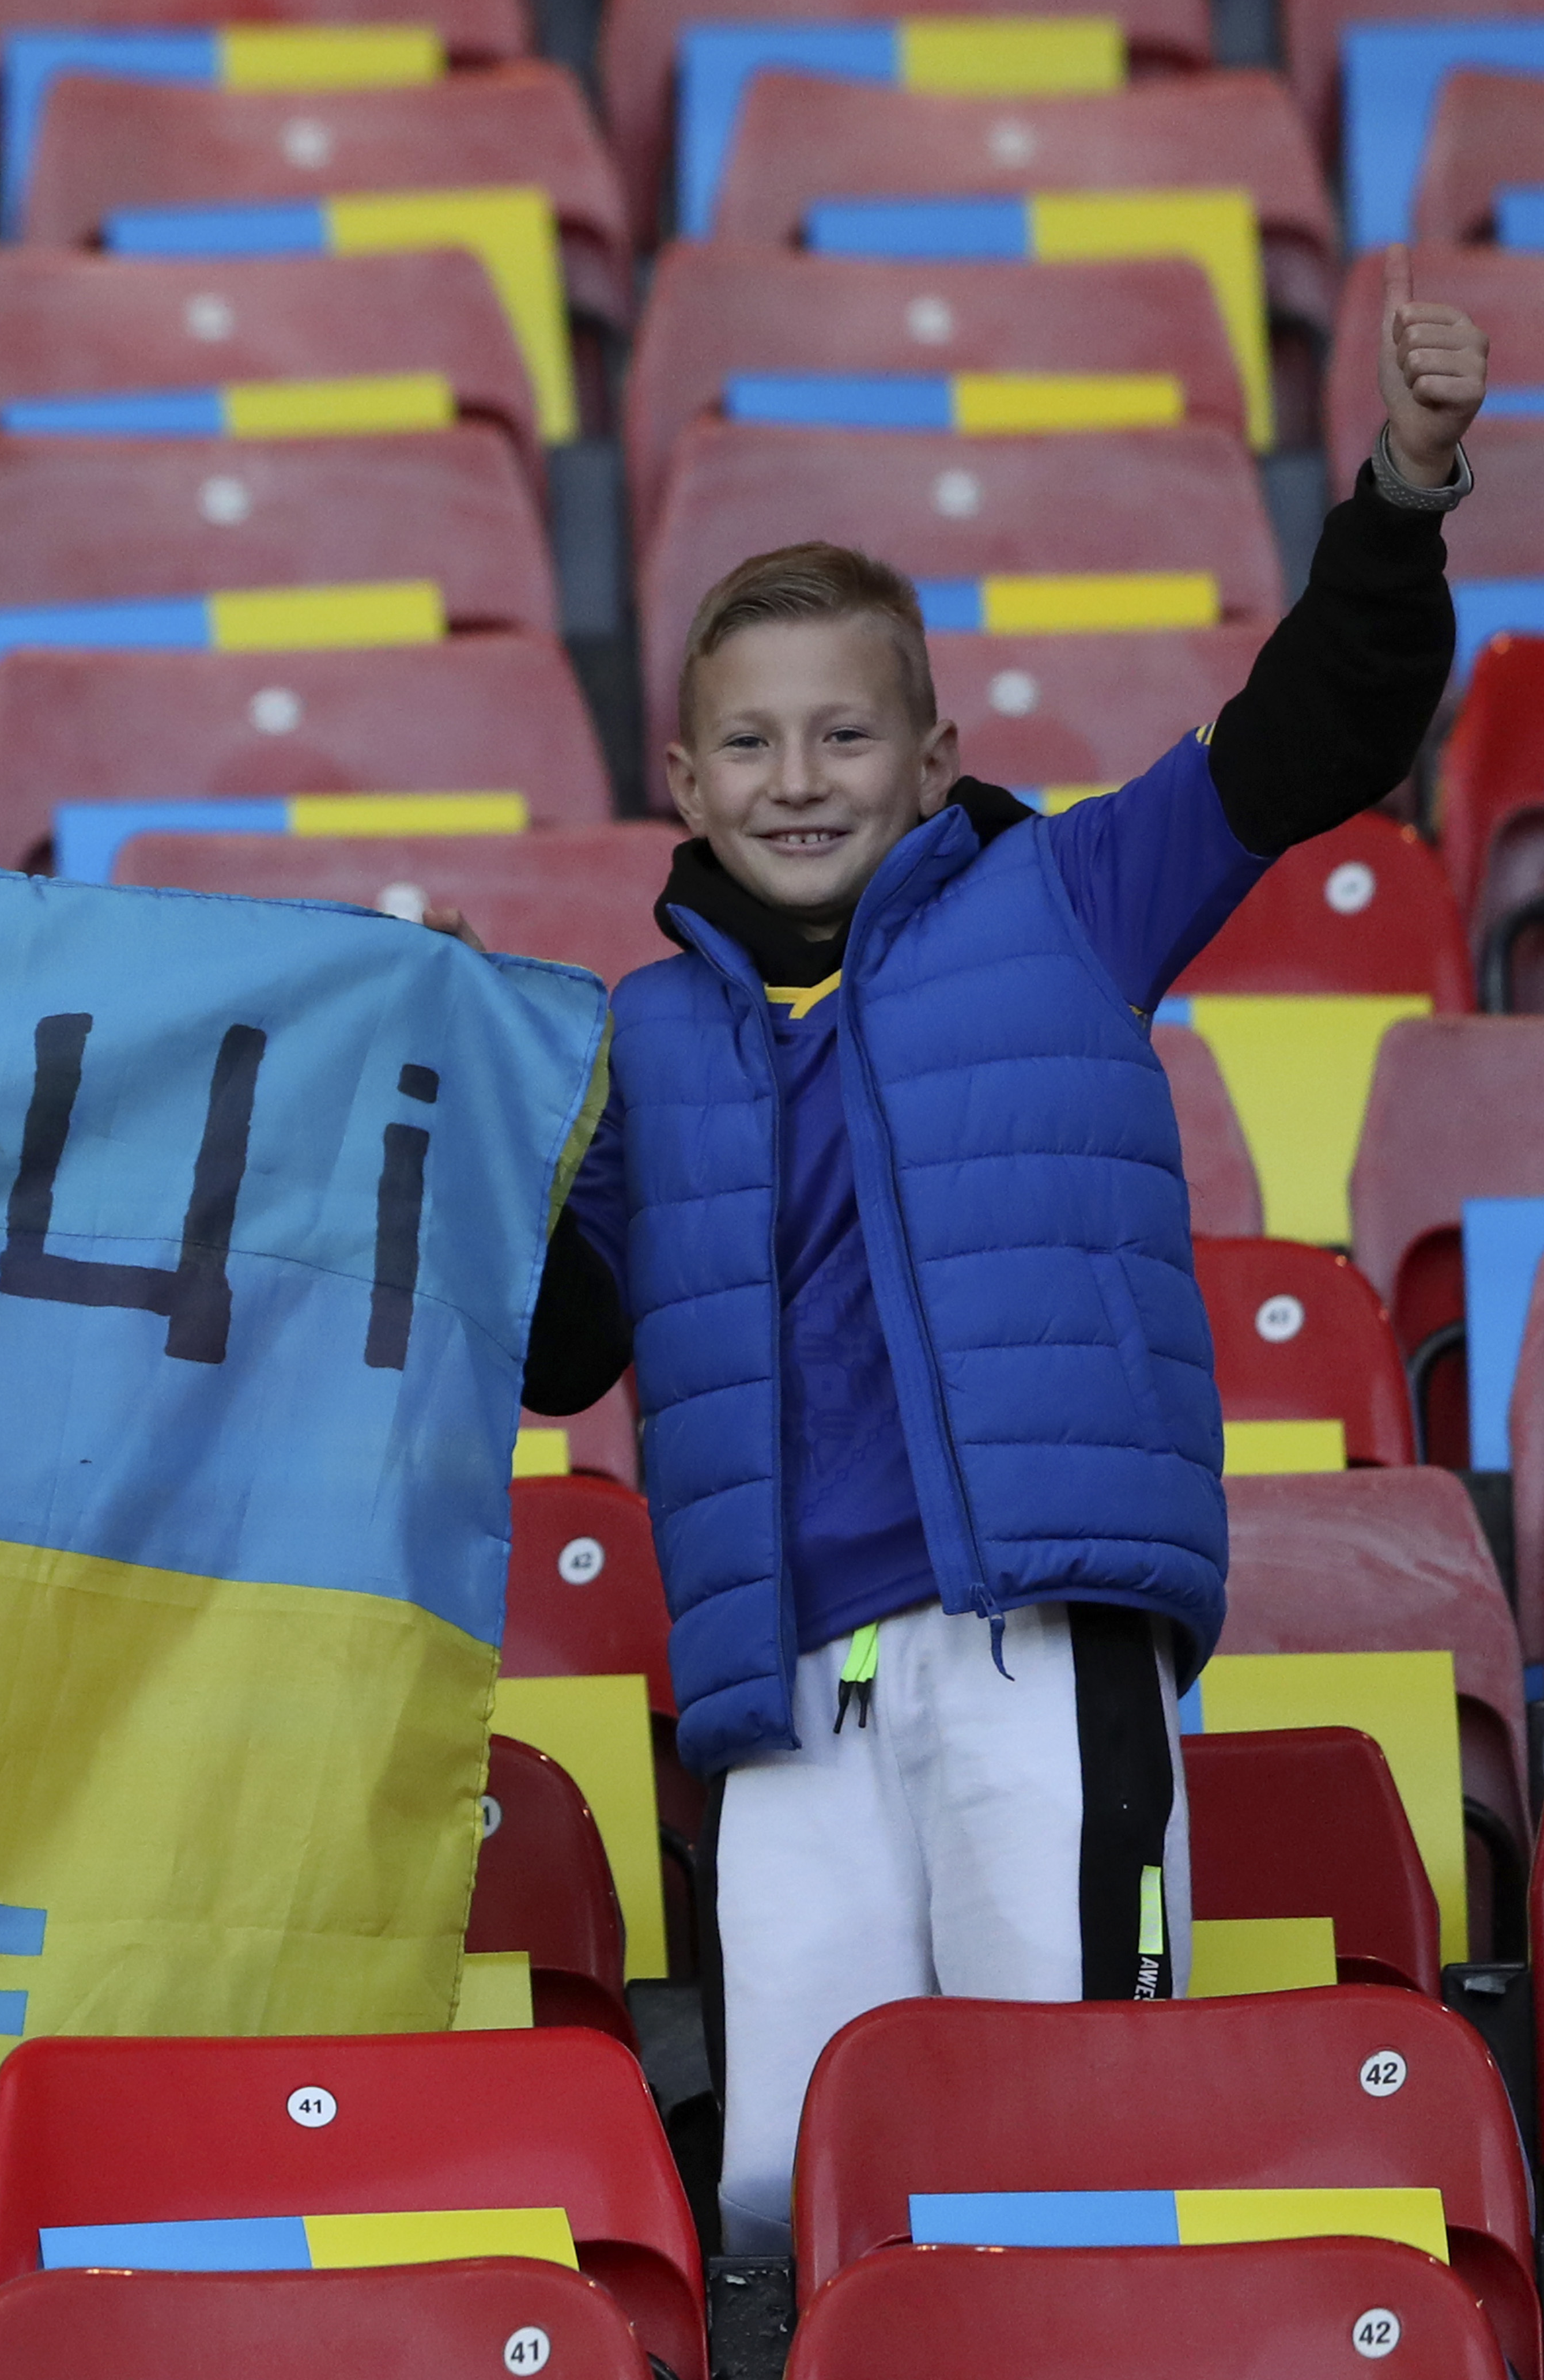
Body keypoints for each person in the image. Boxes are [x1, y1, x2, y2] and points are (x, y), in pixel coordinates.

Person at [524, 258, 1490, 2250]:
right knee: (804, 2189)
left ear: (938, 757)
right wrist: (449, 1150)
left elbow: (1312, 736)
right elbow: (559, 1348)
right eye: (755, 745)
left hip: (1039, 1642)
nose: (802, 779)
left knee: (1069, 2121)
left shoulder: (1060, 899)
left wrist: (1400, 492)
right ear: (684, 786)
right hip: (782, 1699)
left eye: (848, 736)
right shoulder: (630, 1046)